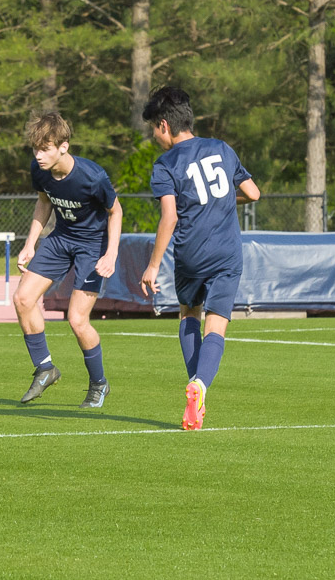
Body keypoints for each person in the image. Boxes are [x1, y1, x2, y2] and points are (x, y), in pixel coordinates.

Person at [138, 86, 260, 430]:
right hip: (226, 254)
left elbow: (170, 217)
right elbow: (253, 193)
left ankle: (196, 385)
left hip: (191, 255)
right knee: (216, 324)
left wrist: (152, 265)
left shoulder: (165, 164)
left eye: (153, 129)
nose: (154, 136)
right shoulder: (221, 148)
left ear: (164, 125)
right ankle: (200, 385)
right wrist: (221, 203)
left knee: (189, 314)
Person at [13, 111, 123, 408]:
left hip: (92, 246)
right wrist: (30, 244)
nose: (38, 155)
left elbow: (116, 212)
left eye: (45, 149)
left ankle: (99, 384)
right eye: (35, 149)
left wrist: (111, 253)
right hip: (61, 239)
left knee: (77, 319)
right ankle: (46, 368)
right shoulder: (40, 171)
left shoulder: (92, 176)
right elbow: (44, 202)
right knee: (23, 299)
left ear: (64, 146)